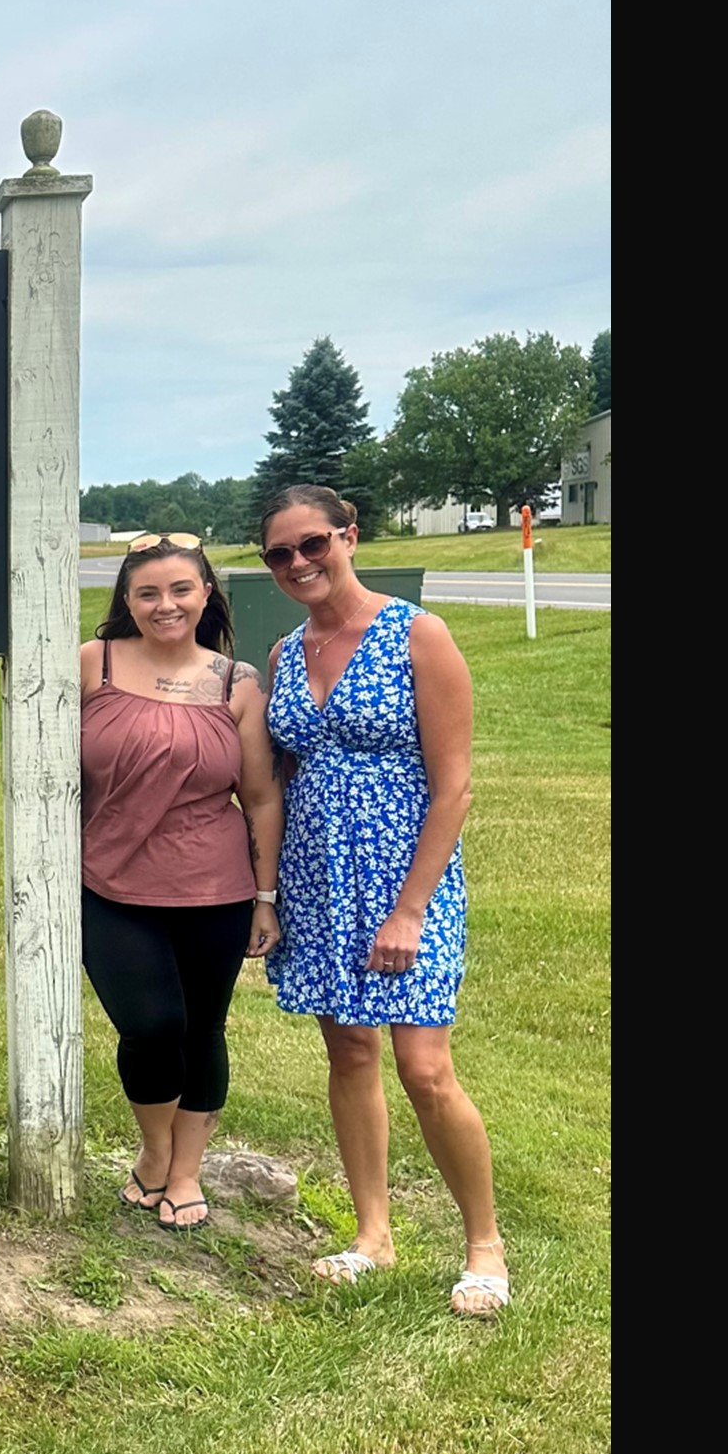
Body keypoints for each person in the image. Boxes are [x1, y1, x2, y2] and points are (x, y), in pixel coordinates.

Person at [257, 485, 509, 1317]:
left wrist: (409, 909)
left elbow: (455, 789)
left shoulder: (416, 635)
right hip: (319, 880)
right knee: (351, 1055)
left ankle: (484, 1246)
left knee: (425, 1067)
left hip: (408, 878)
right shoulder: (286, 654)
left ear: (349, 536)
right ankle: (373, 1235)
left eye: (312, 543)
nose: (298, 562)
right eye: (279, 554)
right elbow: (279, 778)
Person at [78, 533, 283, 1232]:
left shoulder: (238, 683)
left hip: (215, 889)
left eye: (180, 590)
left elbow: (259, 797)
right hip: (108, 882)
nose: (165, 605)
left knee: (202, 1030)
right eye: (147, 593)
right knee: (149, 1024)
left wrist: (265, 896)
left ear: (205, 596)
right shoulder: (91, 666)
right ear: (127, 602)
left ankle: (183, 1171)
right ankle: (154, 1148)